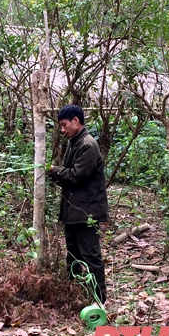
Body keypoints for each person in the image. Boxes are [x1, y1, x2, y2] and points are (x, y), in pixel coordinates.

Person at [48, 104, 109, 303]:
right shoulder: (74, 142)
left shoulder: (88, 145)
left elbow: (76, 176)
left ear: (76, 121)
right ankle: (75, 296)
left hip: (86, 212)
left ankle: (99, 300)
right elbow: (68, 175)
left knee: (91, 256)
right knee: (73, 256)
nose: (62, 130)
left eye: (64, 125)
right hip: (74, 211)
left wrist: (55, 171)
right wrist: (55, 173)